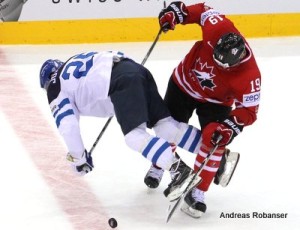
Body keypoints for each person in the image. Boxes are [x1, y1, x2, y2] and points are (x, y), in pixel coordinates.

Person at [144, 1, 261, 218]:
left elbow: (249, 111)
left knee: (214, 140)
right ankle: (159, 165)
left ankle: (198, 193)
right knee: (166, 127)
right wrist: (178, 14)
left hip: (217, 102)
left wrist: (230, 126)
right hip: (183, 85)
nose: (215, 64)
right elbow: (201, 11)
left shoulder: (250, 76)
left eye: (221, 65)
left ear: (235, 64)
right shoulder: (218, 28)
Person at [39, 50, 204, 201]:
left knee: (134, 136)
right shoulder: (73, 63)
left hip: (120, 82)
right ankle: (213, 150)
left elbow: (68, 126)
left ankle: (179, 171)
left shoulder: (55, 87)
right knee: (166, 126)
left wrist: (79, 158)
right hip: (135, 69)